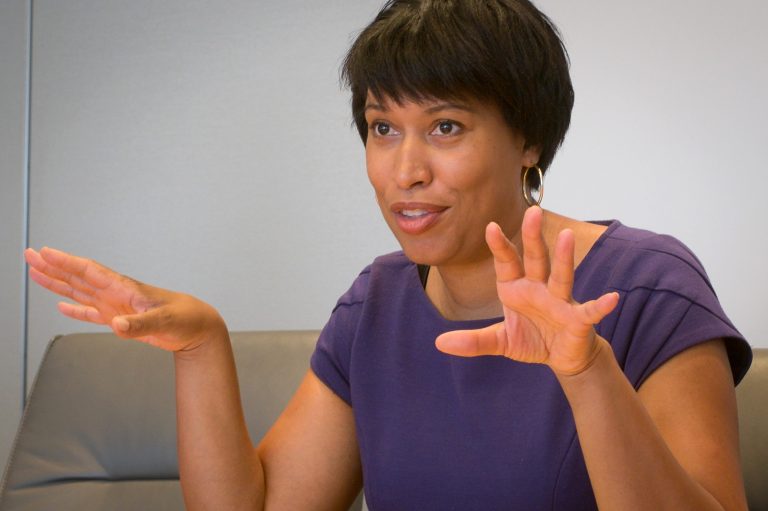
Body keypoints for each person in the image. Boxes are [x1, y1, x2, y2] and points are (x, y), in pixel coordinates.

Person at [25, 0, 752, 510]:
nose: (404, 171)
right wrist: (200, 345)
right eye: (381, 127)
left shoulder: (650, 287)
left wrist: (588, 372)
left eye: (444, 126)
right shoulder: (375, 304)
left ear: (528, 139)